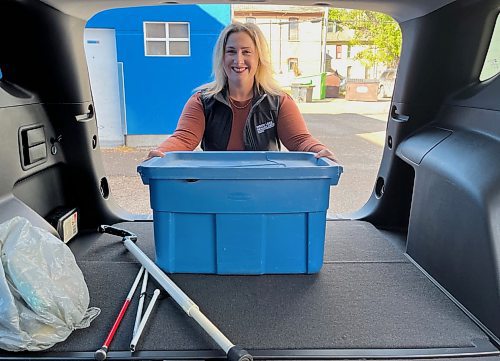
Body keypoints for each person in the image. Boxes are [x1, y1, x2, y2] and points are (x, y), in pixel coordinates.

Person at [147, 22, 337, 161]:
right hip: (217, 189)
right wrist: (160, 152)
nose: (238, 60)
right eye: (231, 51)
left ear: (259, 58)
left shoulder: (279, 102)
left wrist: (320, 150)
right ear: (222, 57)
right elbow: (183, 139)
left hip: (264, 189)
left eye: (246, 52)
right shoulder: (201, 102)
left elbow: (300, 140)